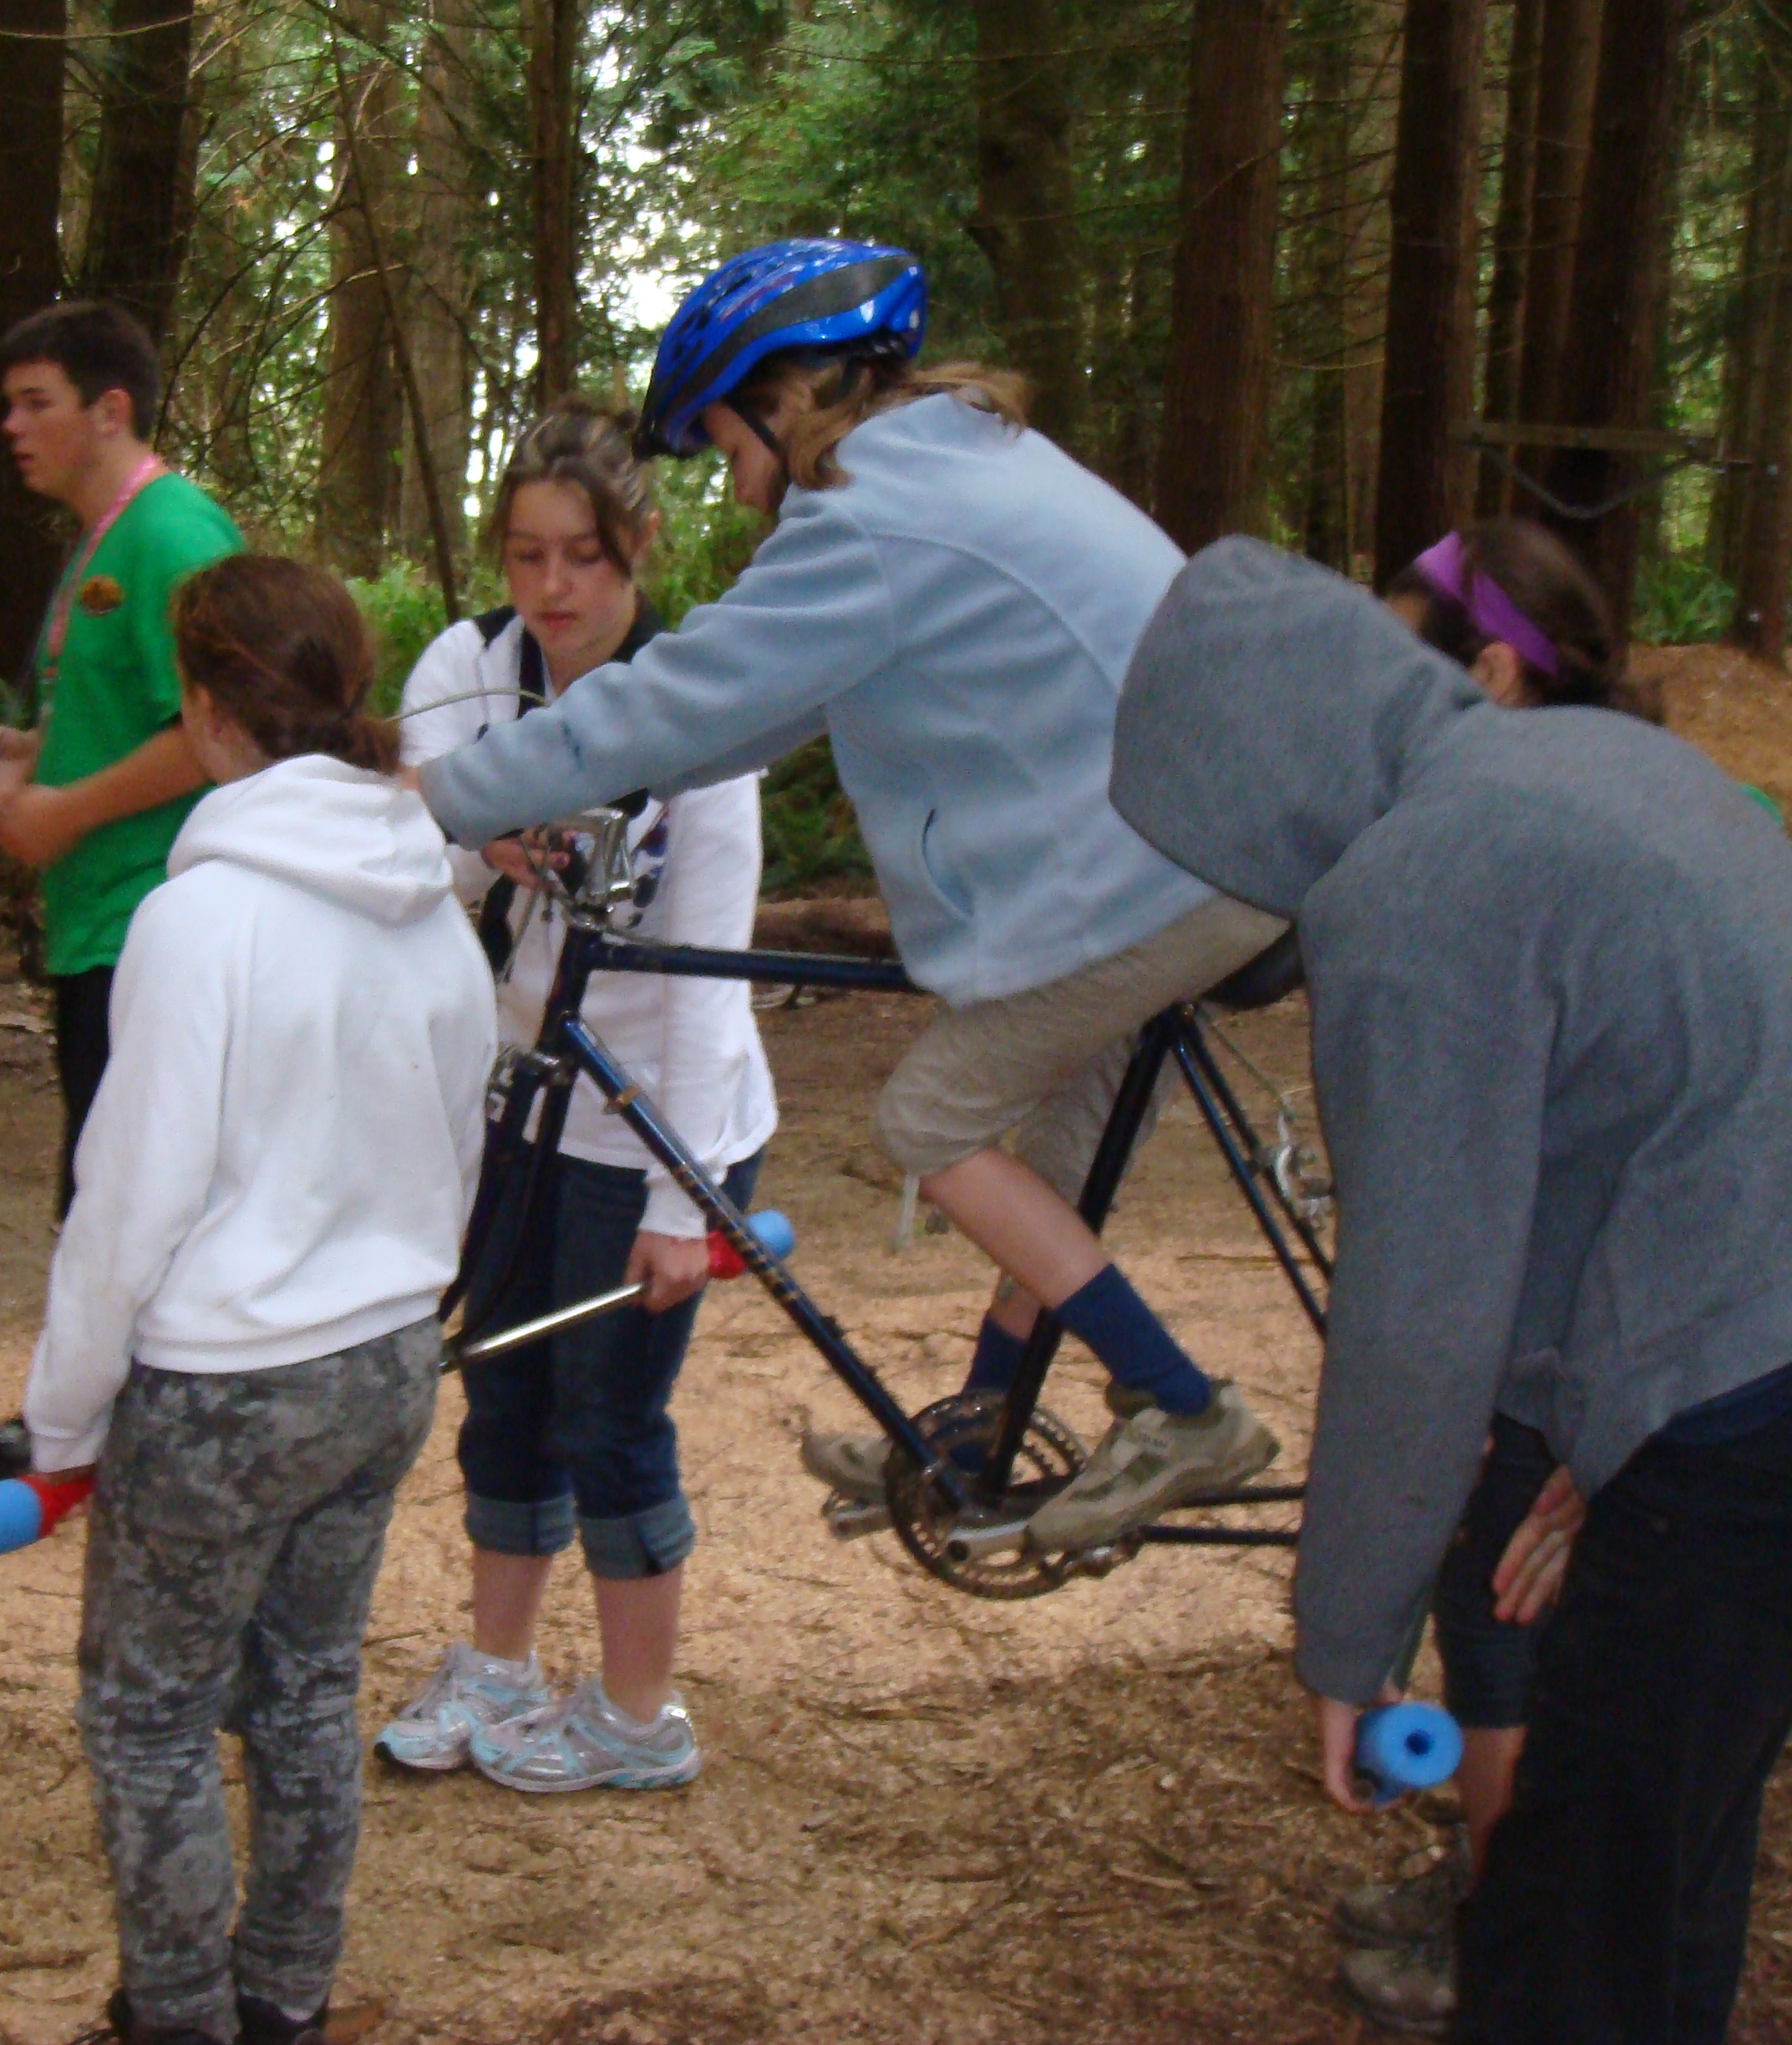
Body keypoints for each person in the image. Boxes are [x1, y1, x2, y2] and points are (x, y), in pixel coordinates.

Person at [1110, 535, 1792, 2045]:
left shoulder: (1417, 883)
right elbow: (1672, 1128)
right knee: (1651, 1876)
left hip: (1762, 1437)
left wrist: (1346, 1639)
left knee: (1563, 1940)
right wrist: (1621, 1418)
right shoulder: (1600, 758)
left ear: (1255, 771)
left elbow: (1418, 1315)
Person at [414, 239, 1286, 1556]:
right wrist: (606, 774)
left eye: (728, 442)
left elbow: (670, 702)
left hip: (1159, 876)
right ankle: (983, 1435)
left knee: (931, 1121)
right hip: (1213, 846)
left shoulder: (870, 513)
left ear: (787, 397)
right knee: (1053, 1166)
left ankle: (1183, 1406)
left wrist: (436, 794)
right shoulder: (961, 460)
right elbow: (743, 718)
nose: (733, 480)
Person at [23, 553, 496, 2045]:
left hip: (224, 1387)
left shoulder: (201, 919)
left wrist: (61, 1418)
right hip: (383, 1363)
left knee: (150, 1712)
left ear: (207, 708)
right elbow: (460, 1143)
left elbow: (129, 1203)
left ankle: (177, 2014)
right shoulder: (430, 902)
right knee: (303, 1686)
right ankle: (286, 1991)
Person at [375, 400, 775, 1793]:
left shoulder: (700, 713)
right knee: (503, 1384)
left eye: (584, 558)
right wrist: (482, 839)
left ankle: (636, 1712)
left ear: (639, 546)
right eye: (526, 554)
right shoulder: (472, 671)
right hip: (517, 1100)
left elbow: (707, 979)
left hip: (657, 1116)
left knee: (608, 1413)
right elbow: (398, 846)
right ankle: (496, 1664)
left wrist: (681, 1202)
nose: (551, 589)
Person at [1327, 520, 1637, 2037]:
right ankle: (1495, 1888)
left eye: (1408, 669)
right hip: (1604, 1314)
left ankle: (1506, 1946)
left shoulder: (1499, 839)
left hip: (1595, 1326)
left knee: (1501, 1603)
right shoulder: (1619, 793)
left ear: (1495, 676)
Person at [0, 299, 244, 1520]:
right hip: (98, 921)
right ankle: (95, 1426)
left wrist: (65, 812)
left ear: (111, 409)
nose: (10, 425)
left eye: (34, 402)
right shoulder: (104, 538)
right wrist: (30, 753)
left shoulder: (175, 534)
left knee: (124, 1193)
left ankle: (75, 1440)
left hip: (159, 921)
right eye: (7, 403)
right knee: (106, 1181)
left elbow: (219, 731)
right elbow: (127, 713)